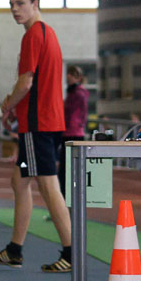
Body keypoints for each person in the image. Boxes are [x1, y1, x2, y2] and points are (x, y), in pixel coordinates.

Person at [0, 0, 72, 274]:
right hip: (39, 121)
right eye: (11, 4)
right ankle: (14, 249)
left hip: (40, 124)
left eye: (20, 3)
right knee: (19, 181)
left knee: (49, 186)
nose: (14, 9)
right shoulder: (46, 33)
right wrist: (15, 107)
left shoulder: (34, 36)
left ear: (35, 3)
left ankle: (71, 252)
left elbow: (26, 82)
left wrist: (8, 105)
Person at [58, 65, 89, 196]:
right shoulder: (72, 93)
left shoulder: (79, 93)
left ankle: (68, 203)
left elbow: (77, 115)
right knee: (65, 171)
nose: (68, 76)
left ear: (79, 78)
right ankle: (64, 203)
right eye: (69, 73)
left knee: (69, 171)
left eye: (72, 74)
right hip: (68, 133)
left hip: (73, 134)